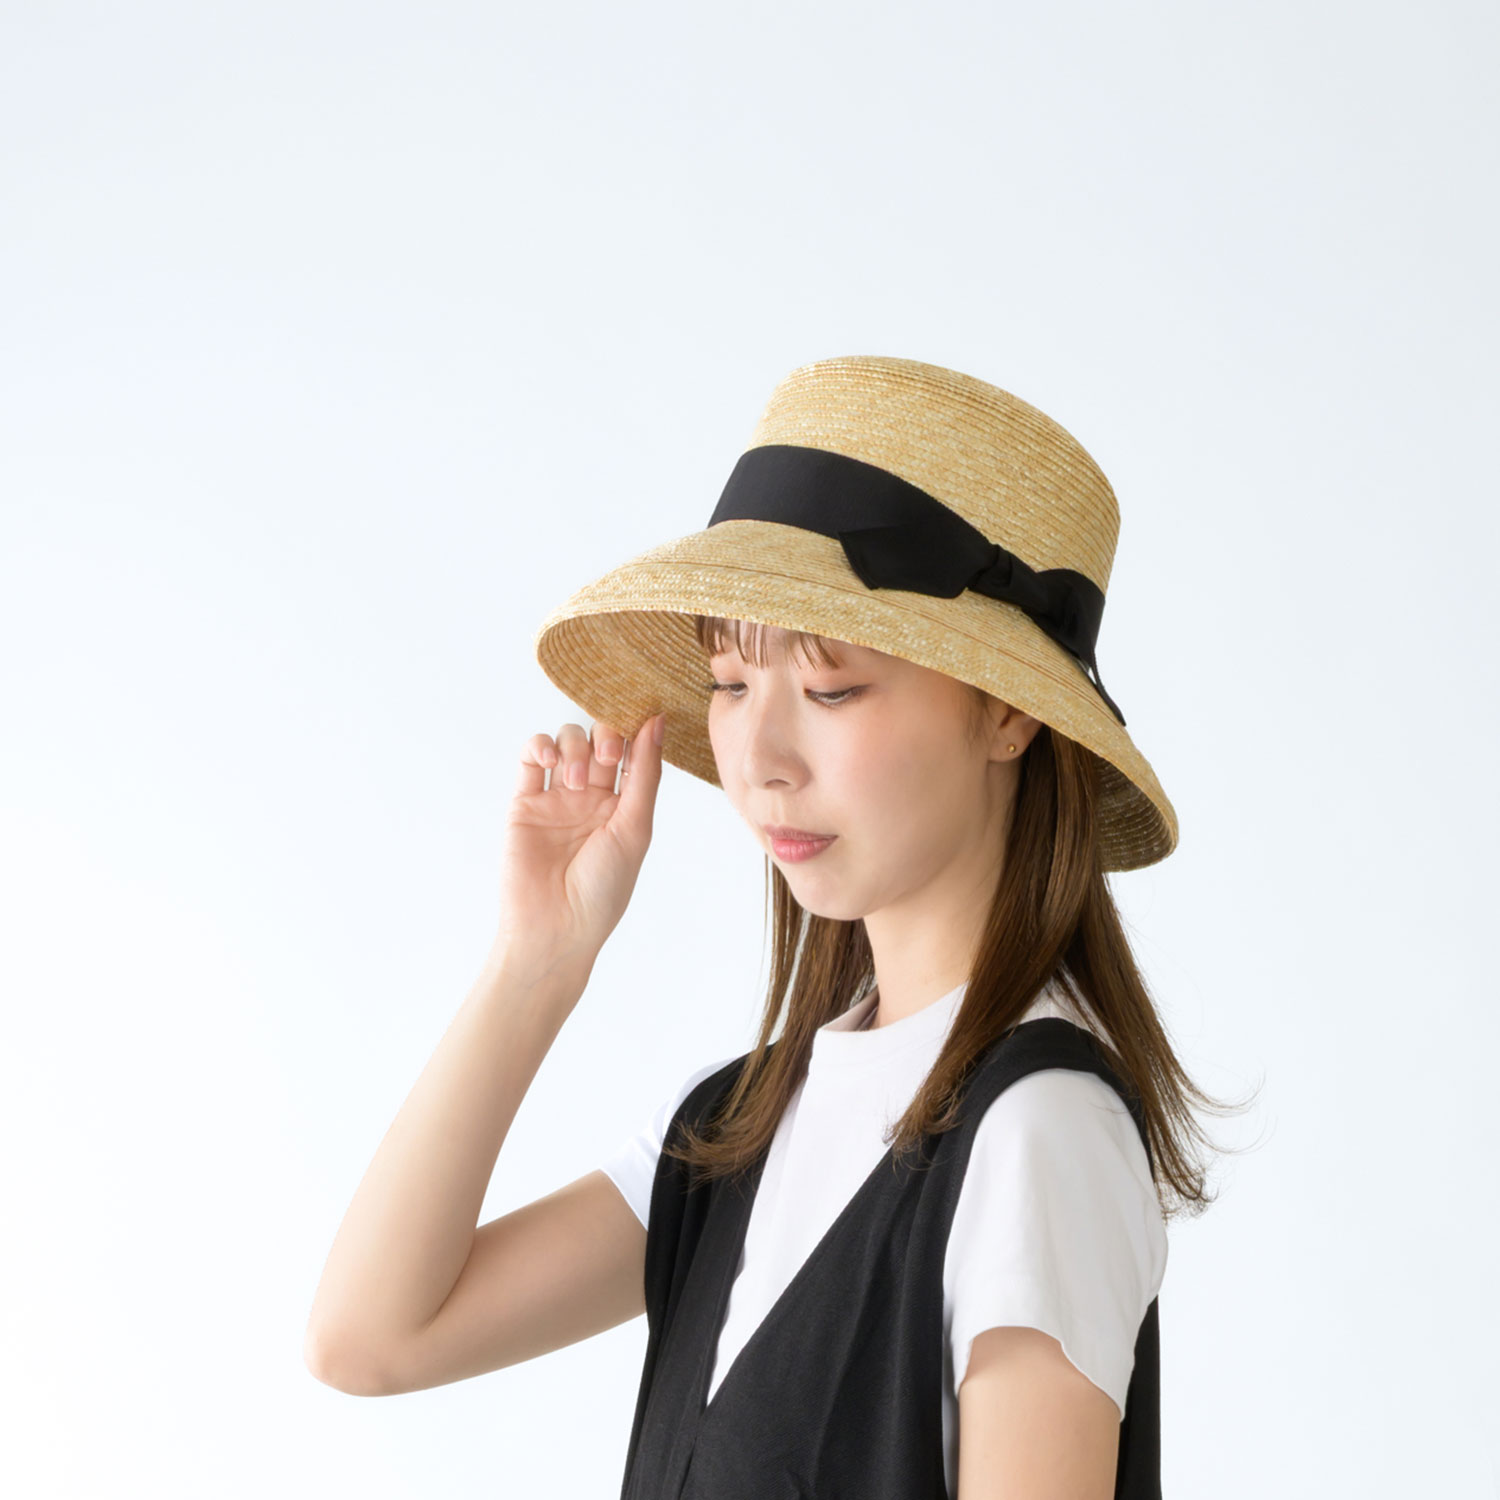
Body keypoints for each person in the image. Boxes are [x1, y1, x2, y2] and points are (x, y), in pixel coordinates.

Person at [303, 356, 1242, 1499]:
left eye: (832, 689)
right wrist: (536, 964)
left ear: (1008, 715)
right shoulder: (740, 1122)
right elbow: (370, 1339)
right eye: (732, 685)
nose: (761, 761)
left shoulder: (1037, 1131)